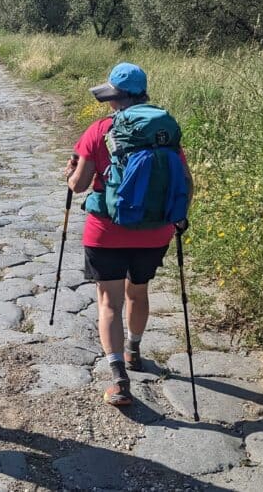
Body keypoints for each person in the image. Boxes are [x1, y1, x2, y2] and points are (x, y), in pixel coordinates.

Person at [65, 62, 193, 406]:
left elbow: (78, 186)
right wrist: (179, 218)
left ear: (116, 98)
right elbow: (185, 179)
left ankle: (120, 380)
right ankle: (135, 349)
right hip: (154, 232)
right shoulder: (163, 132)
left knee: (109, 302)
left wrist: (70, 173)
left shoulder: (99, 130)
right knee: (138, 292)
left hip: (106, 231)